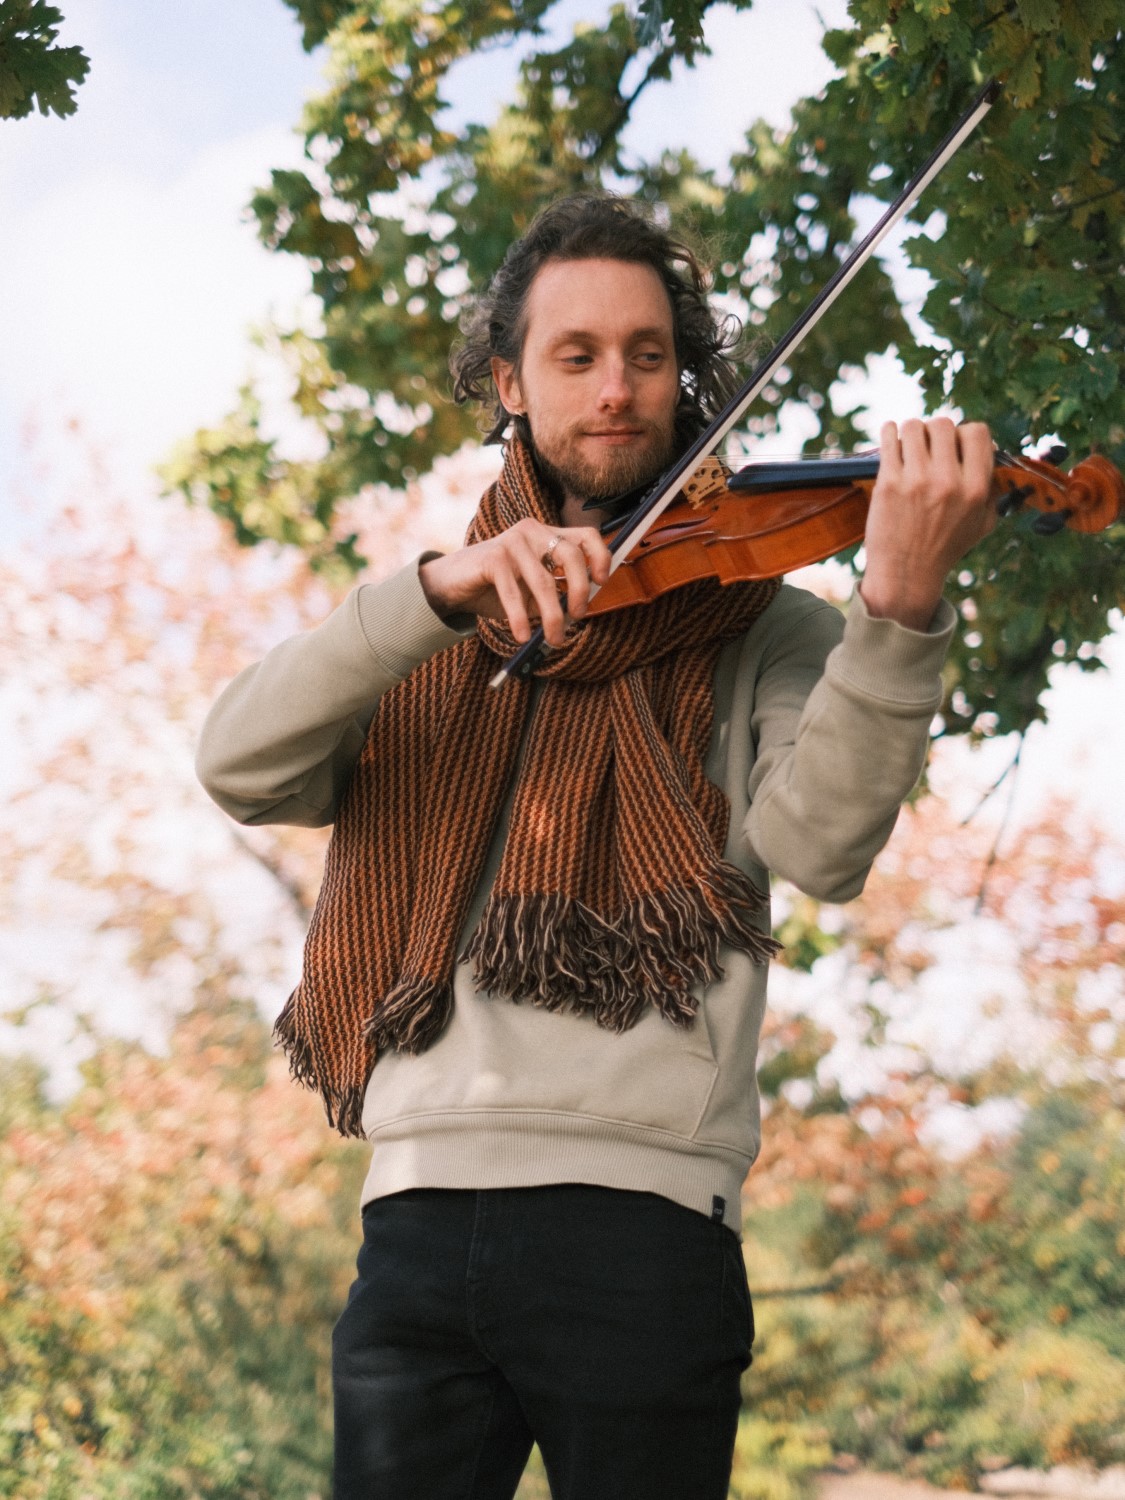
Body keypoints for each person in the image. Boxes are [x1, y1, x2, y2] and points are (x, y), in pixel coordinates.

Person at [196, 195, 995, 1500]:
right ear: (509, 380)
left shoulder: (761, 624)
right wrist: (431, 595)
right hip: (410, 1224)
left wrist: (897, 605)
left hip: (646, 1232)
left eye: (647, 354)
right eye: (576, 355)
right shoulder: (429, 623)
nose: (616, 390)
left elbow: (823, 844)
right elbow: (239, 763)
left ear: (686, 378)